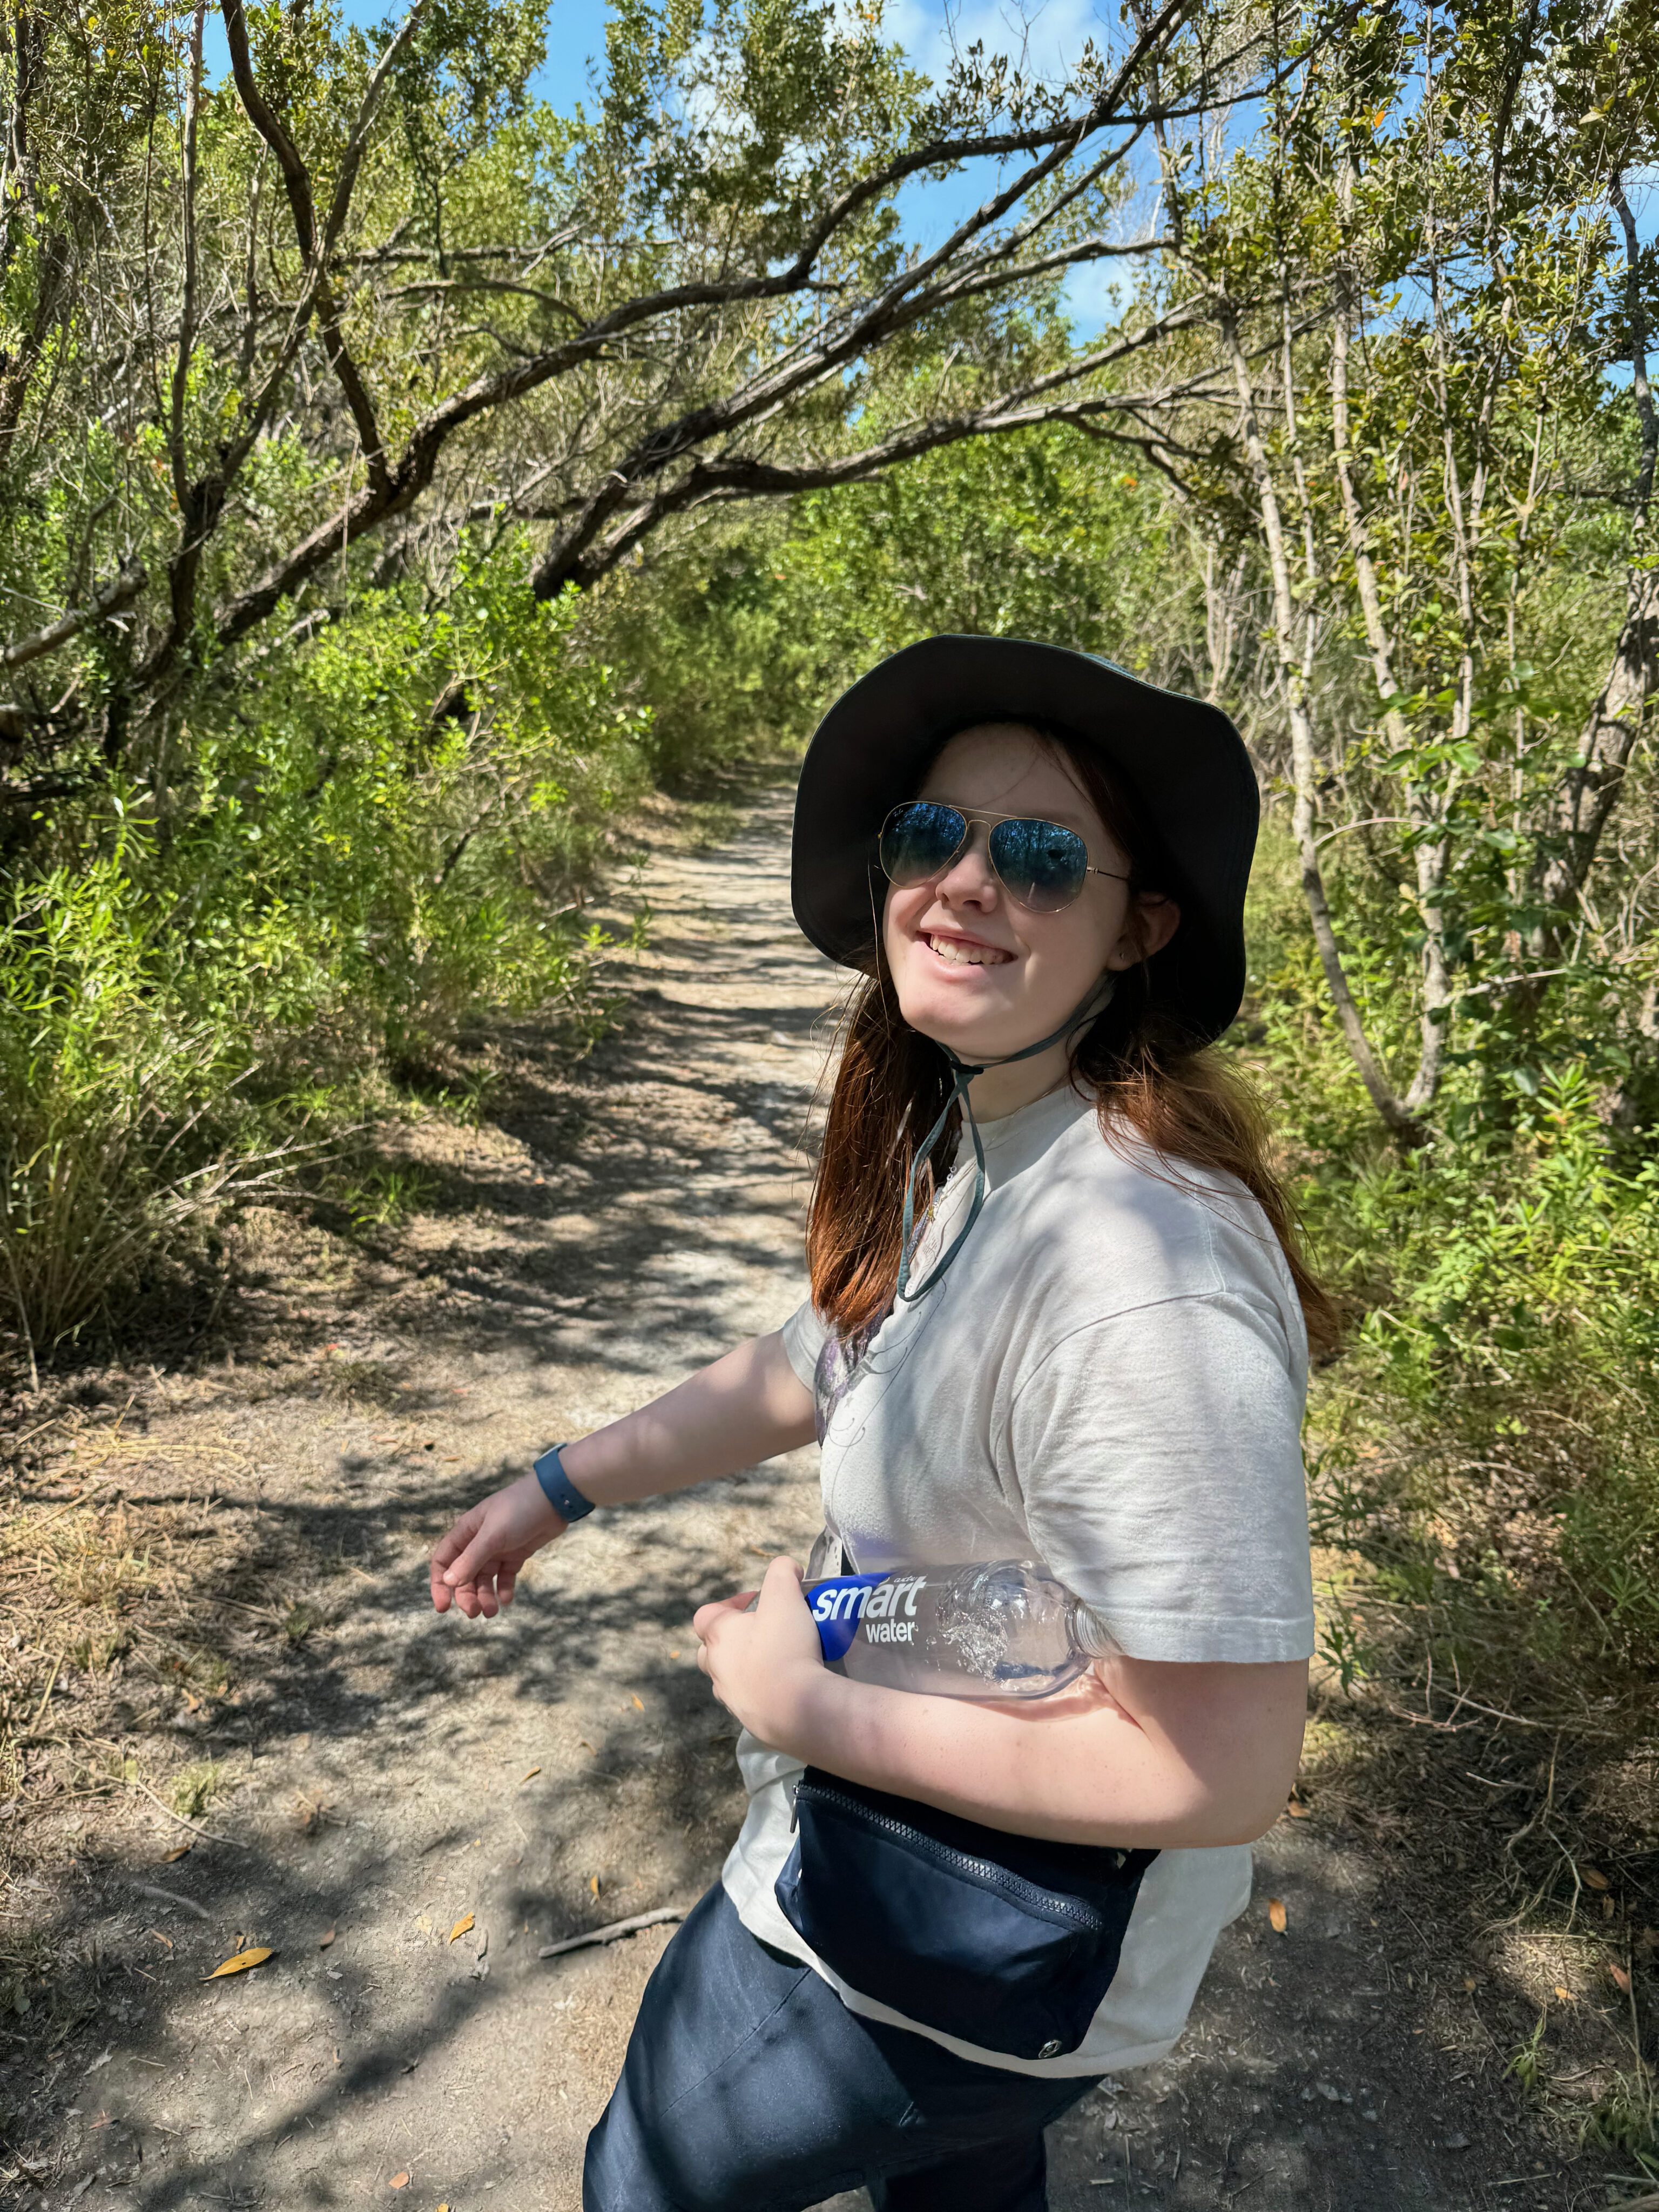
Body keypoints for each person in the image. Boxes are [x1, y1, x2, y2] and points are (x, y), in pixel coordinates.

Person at [428, 636, 1331, 2212]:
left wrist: (805, 1704)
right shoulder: (991, 1136)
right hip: (952, 1918)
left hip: (958, 1943)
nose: (969, 883)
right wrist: (558, 1488)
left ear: (1142, 928)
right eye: (936, 836)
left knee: (645, 2181)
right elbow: (814, 1361)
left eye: (1041, 858)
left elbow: (1223, 1767)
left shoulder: (1144, 1274)